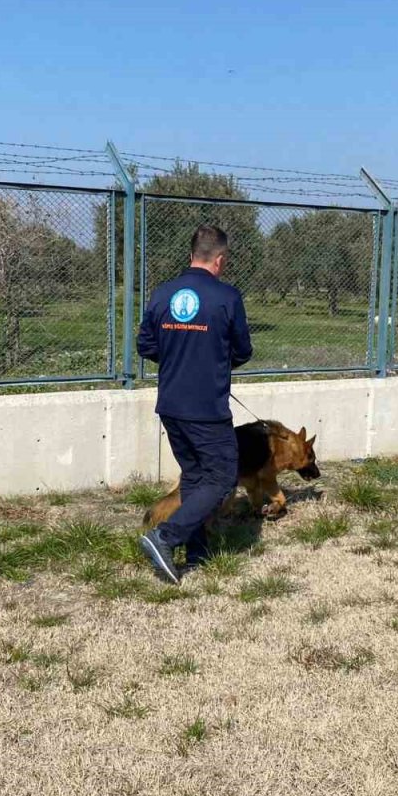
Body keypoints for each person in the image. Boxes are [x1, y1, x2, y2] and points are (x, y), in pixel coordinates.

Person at [136, 225, 253, 584]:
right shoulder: (227, 297)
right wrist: (211, 360)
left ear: (191, 255)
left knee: (195, 476)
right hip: (206, 408)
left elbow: (146, 345)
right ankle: (165, 537)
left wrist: (179, 357)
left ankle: (197, 551)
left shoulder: (163, 293)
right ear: (220, 260)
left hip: (170, 404)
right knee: (222, 477)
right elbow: (243, 351)